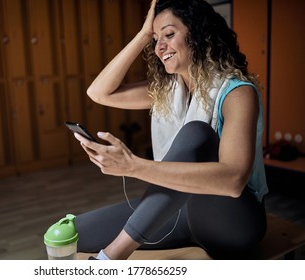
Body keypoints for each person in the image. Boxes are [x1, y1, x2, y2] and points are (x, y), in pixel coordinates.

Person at [73, 0, 268, 260]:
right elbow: (98, 92)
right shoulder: (165, 93)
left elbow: (233, 181)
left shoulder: (237, 93)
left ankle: (110, 258)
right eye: (155, 39)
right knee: (76, 233)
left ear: (199, 34)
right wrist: (144, 35)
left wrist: (133, 166)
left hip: (233, 222)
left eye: (169, 34)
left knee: (196, 133)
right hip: (182, 214)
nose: (159, 47)